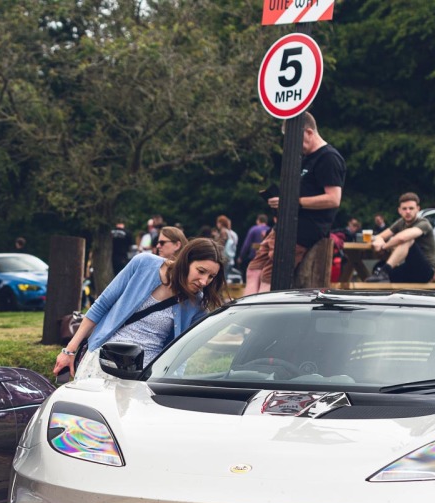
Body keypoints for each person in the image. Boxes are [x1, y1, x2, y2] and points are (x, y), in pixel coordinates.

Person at [55, 237, 226, 381]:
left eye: (211, 276)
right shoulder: (143, 263)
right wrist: (69, 350)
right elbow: (102, 304)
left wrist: (170, 382)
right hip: (103, 361)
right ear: (186, 261)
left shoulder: (197, 304)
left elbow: (182, 350)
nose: (204, 282)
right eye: (201, 271)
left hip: (143, 376)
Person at [247, 112, 346, 294]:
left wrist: (293, 202)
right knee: (254, 269)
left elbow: (333, 199)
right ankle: (243, 314)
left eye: (296, 140)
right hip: (286, 224)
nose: (294, 147)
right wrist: (283, 201)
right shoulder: (306, 158)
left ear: (308, 132)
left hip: (305, 230)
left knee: (271, 275)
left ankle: (260, 319)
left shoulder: (328, 158)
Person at [370, 193, 435, 283]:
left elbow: (402, 238)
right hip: (409, 267)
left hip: (426, 270)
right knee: (377, 279)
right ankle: (382, 276)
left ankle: (384, 271)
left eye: (411, 208)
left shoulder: (424, 223)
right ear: (399, 210)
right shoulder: (401, 222)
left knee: (407, 240)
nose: (408, 211)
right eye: (404, 209)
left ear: (418, 209)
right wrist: (379, 241)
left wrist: (384, 246)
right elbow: (380, 236)